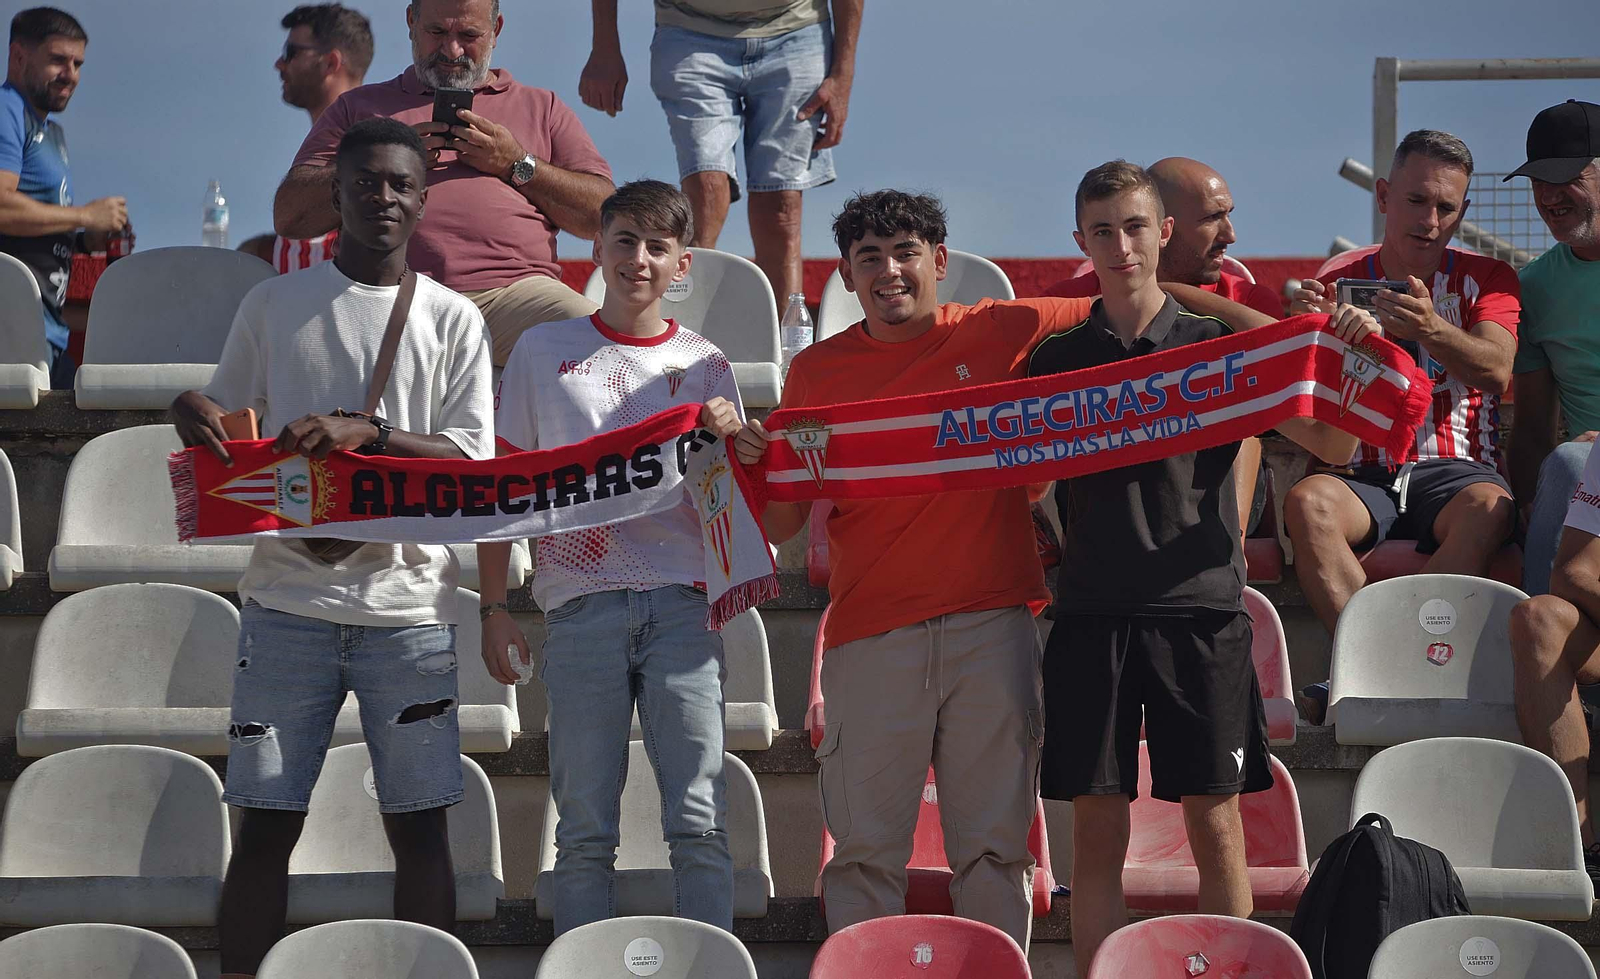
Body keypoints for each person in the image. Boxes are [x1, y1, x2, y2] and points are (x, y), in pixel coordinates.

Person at [730, 189, 1267, 949]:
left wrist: (1290, 334)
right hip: (872, 633)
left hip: (993, 629)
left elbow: (1129, 291)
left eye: (906, 252)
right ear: (846, 277)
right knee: (864, 859)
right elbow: (786, 520)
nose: (890, 271)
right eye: (869, 258)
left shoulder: (1005, 329)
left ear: (941, 263)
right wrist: (756, 467)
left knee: (995, 855)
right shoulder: (816, 373)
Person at [171, 118, 494, 977]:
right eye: (365, 182)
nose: (381, 197)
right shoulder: (271, 304)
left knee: (420, 825)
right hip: (285, 604)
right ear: (336, 193)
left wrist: (372, 431)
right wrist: (194, 416)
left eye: (399, 184)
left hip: (408, 606)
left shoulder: (454, 317)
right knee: (266, 825)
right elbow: (232, 430)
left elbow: (473, 458)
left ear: (423, 199)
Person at [1031, 161, 1373, 971]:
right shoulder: (1056, 361)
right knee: (1097, 835)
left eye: (1136, 226)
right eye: (1104, 230)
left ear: (1164, 234)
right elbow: (1020, 484)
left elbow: (1338, 445)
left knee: (1217, 828)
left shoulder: (1219, 347)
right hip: (1090, 616)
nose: (1122, 245)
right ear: (1081, 243)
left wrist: (1345, 355)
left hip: (1202, 614)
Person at [479, 179, 743, 936]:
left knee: (698, 817)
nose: (638, 259)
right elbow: (507, 488)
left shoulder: (706, 363)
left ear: (682, 263)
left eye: (657, 246)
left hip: (683, 608)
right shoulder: (541, 349)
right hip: (579, 605)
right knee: (584, 831)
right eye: (624, 240)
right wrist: (496, 605)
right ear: (595, 248)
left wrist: (733, 440)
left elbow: (734, 499)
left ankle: (709, 963)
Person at [1283, 130, 1519, 700]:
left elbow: (1495, 368)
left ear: (1462, 213)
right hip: (1361, 473)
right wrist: (1301, 329)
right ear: (1384, 197)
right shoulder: (1338, 280)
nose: (1431, 219)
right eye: (1417, 201)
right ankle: (1383, 666)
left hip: (1458, 472)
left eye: (1446, 207)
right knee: (1307, 503)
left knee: (1491, 508)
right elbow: (1300, 390)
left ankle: (1387, 666)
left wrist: (1427, 328)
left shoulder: (1488, 278)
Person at [275, 0, 614, 365]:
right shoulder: (356, 107)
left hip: (515, 296)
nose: (452, 50)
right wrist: (383, 162)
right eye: (436, 32)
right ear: (411, 21)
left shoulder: (542, 107)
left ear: (496, 30)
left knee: (598, 342)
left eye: (468, 35)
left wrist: (516, 163)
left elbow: (603, 217)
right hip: (389, 296)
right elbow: (291, 216)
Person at [1047, 157, 1283, 544]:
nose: (1231, 234)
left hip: (1212, 496)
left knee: (1241, 420)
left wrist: (1176, 295)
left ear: (1162, 229)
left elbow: (1285, 372)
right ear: (1164, 226)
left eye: (1228, 215)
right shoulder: (1066, 303)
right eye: (1212, 219)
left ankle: (1227, 557)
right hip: (1106, 494)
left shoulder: (1247, 300)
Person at [580, 0, 860, 303]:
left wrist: (843, 74)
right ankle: (690, 328)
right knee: (706, 189)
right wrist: (605, 45)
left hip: (795, 29)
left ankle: (783, 341)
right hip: (689, 29)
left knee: (782, 206)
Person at [0, 7, 127, 389]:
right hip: (11, 338)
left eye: (78, 63)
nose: (70, 74)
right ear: (19, 56)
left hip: (46, 333)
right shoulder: (7, 109)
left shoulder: (53, 134)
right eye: (58, 60)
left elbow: (37, 221)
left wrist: (87, 236)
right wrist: (83, 215)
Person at [1505, 100, 1600, 596]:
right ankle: (1543, 642)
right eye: (1537, 181)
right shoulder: (1534, 287)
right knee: (1565, 465)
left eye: (1565, 177)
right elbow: (1532, 425)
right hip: (1592, 489)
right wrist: (1527, 502)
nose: (1548, 196)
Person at [247, 3, 376, 273]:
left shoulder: (373, 153)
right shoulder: (326, 153)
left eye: (291, 52)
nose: (279, 63)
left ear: (331, 62)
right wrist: (257, 251)